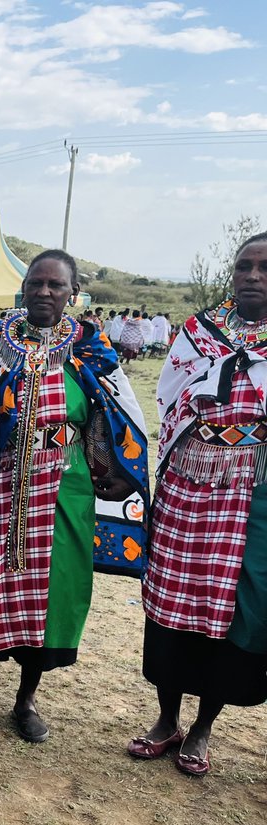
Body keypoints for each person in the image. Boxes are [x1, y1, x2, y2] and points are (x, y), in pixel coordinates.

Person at [0, 250, 149, 742]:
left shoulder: (89, 347)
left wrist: (115, 469)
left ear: (73, 293)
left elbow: (111, 411)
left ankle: (26, 699)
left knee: (54, 588)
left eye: (56, 285)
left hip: (65, 482)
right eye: (37, 282)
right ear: (23, 286)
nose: (45, 291)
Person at [130, 233, 267, 776]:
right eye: (244, 266)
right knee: (170, 599)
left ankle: (204, 727)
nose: (252, 276)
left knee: (226, 608)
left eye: (264, 268)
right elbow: (169, 396)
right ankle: (167, 719)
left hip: (251, 490)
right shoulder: (197, 331)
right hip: (187, 480)